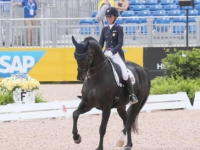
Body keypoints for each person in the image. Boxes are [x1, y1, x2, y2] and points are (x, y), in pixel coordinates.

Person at [99, 7, 138, 104]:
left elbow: (120, 44)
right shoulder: (105, 29)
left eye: (110, 16)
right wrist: (99, 52)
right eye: (107, 17)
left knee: (124, 74)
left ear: (115, 16)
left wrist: (112, 51)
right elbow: (100, 43)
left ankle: (132, 95)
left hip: (116, 55)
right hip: (106, 54)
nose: (109, 18)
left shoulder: (119, 28)